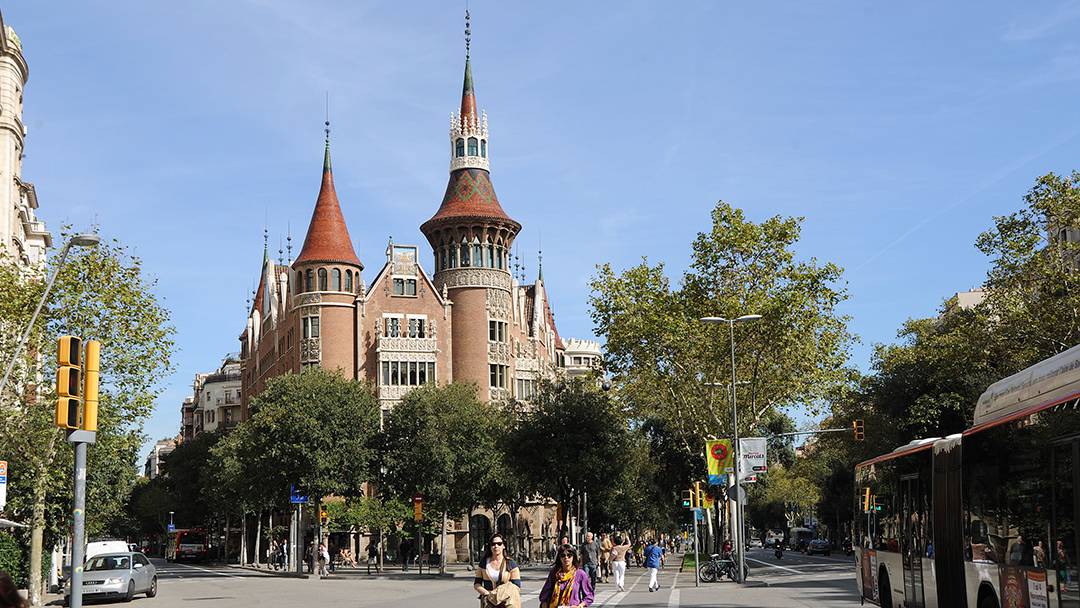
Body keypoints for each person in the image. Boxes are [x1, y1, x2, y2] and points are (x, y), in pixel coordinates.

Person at [474, 533, 522, 607]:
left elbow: (516, 585)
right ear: (490, 546)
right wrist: (486, 594)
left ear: (503, 546)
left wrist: (500, 594)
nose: (496, 546)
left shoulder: (511, 563)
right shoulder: (483, 563)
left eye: (499, 544)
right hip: (488, 602)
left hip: (506, 602)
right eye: (493, 544)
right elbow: (477, 583)